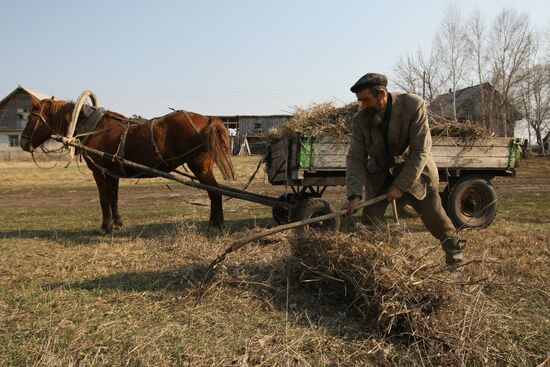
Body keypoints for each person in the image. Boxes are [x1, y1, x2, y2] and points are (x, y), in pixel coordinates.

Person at [343, 73, 465, 271]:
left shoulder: (412, 105)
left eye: (366, 100)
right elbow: (356, 158)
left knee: (435, 218)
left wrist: (400, 185)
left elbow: (421, 150)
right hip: (380, 174)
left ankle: (455, 256)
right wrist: (354, 194)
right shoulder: (360, 119)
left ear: (381, 94)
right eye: (360, 101)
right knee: (369, 223)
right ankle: (368, 267)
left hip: (415, 173)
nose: (362, 105)